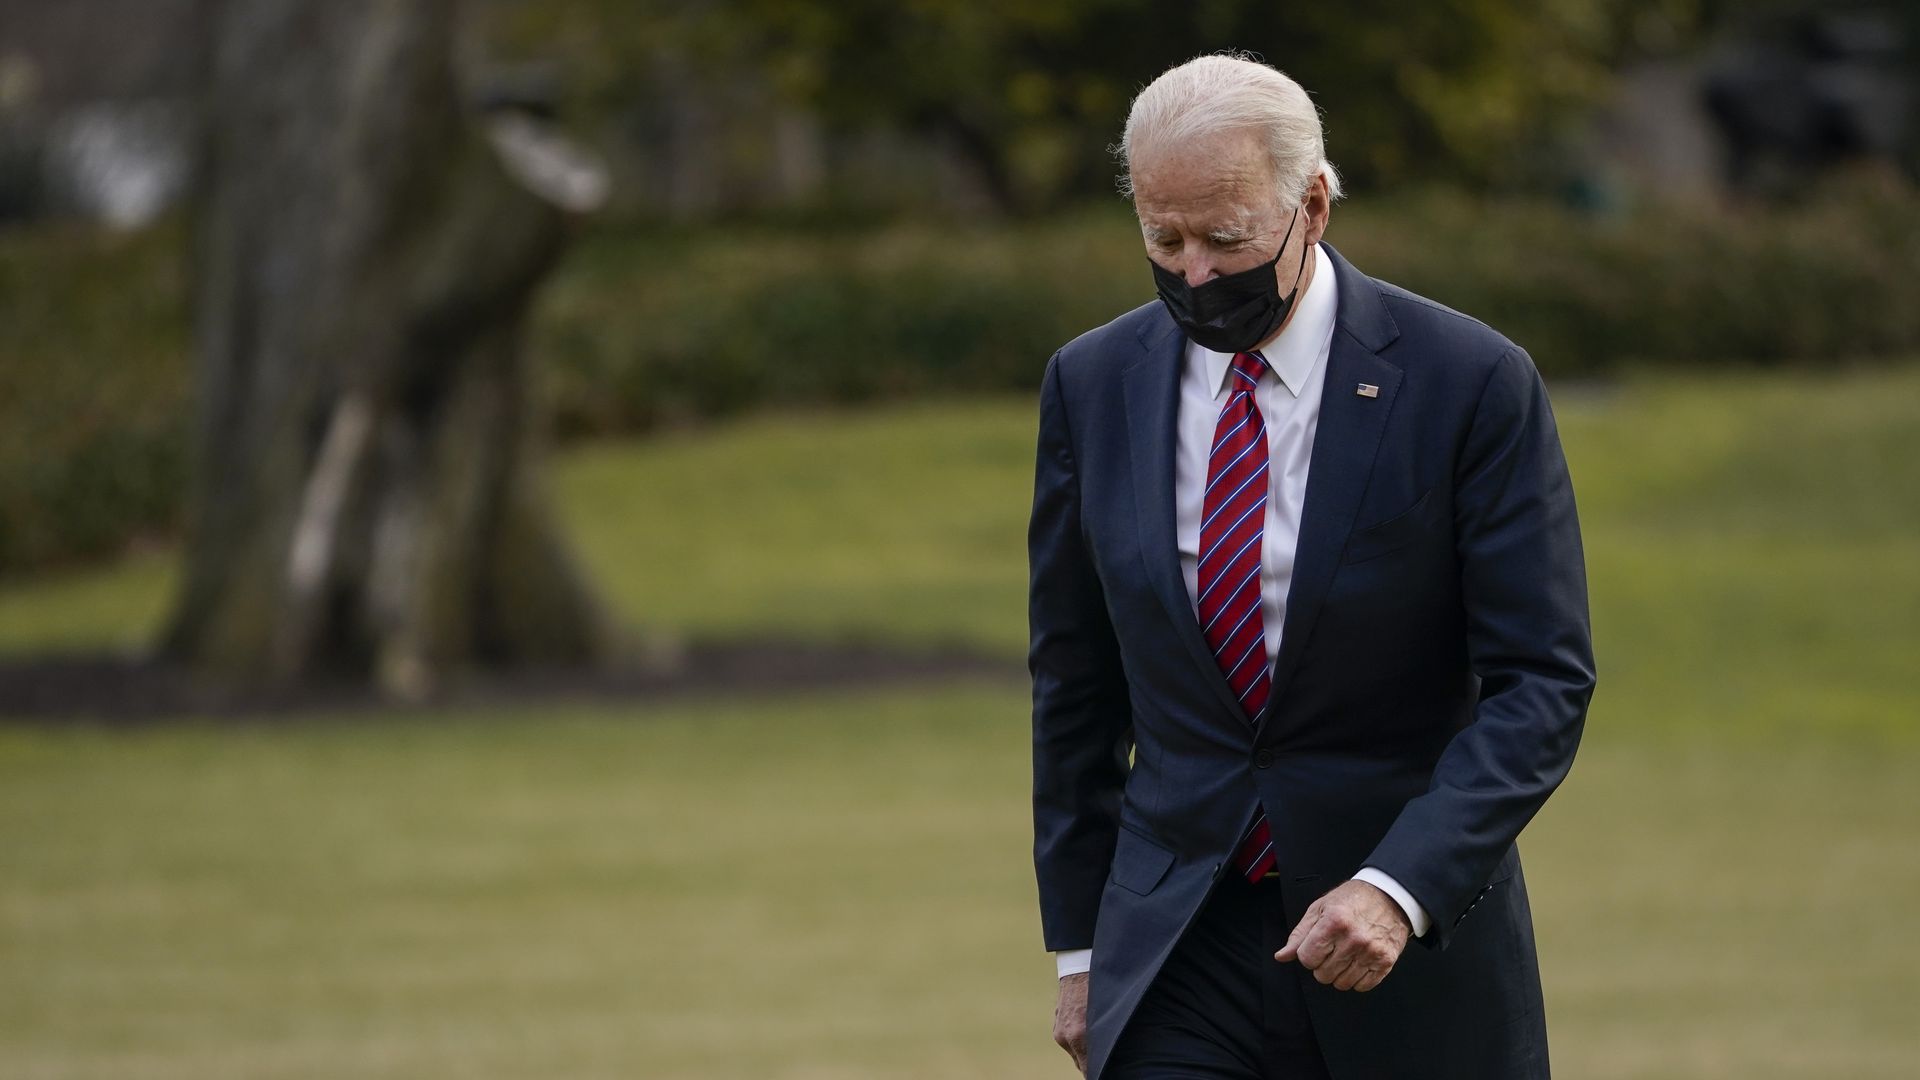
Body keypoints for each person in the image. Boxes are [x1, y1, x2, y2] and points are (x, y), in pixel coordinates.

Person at [1028, 53, 1596, 1079]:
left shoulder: (1469, 384)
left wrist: (1399, 887)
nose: (1194, 271)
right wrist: (1079, 951)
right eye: (1164, 238)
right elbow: (1074, 683)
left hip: (1402, 950)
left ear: (1315, 206)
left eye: (1226, 237)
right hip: (1178, 948)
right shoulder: (1092, 382)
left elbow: (1541, 683)